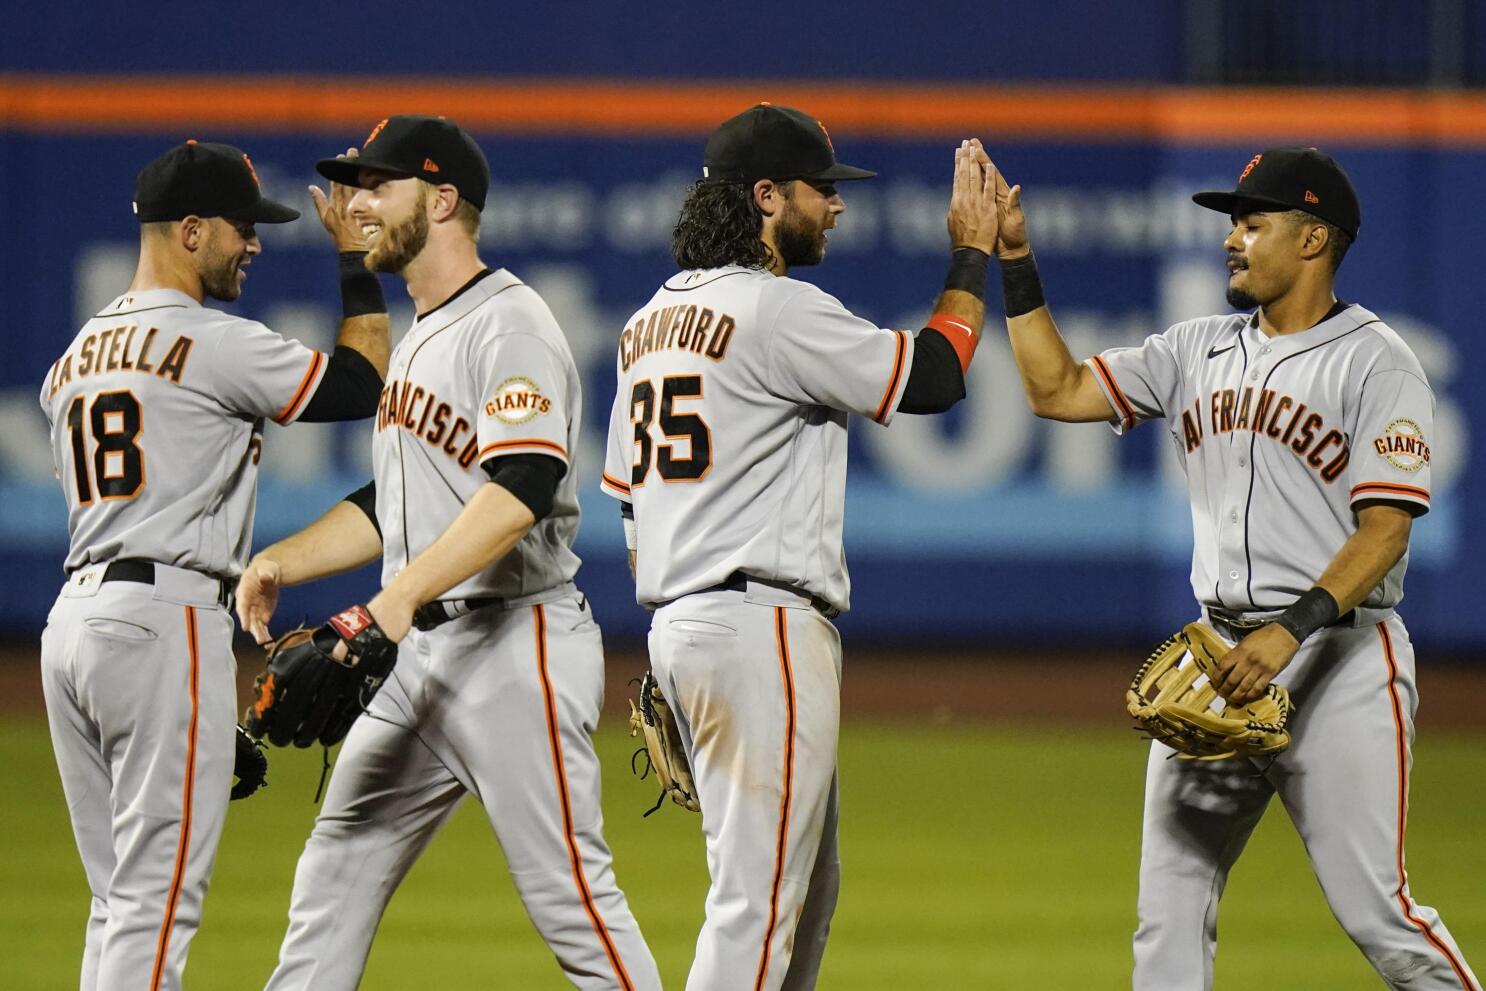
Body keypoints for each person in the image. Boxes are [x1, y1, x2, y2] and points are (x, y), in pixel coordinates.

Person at [986, 146, 1479, 990]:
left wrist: (1290, 632)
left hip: (1340, 658)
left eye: (1254, 222)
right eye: (1231, 223)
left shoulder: (1377, 361)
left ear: (1315, 237)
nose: (1232, 239)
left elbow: (1386, 532)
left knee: (1379, 915)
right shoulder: (1194, 349)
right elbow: (1055, 389)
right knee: (1168, 911)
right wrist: (1016, 262)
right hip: (1217, 660)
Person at [236, 114, 661, 991]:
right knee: (334, 866)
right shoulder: (424, 331)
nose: (355, 202)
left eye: (376, 185)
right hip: (420, 652)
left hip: (514, 642)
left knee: (572, 901)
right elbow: (398, 509)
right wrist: (285, 559)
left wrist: (387, 606)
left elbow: (519, 489)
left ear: (440, 200)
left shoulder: (510, 322)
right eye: (352, 185)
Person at [599, 103, 999, 990]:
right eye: (823, 189)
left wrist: (684, 636)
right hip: (761, 628)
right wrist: (971, 254)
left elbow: (629, 509)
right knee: (756, 908)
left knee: (806, 887)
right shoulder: (778, 309)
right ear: (767, 196)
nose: (838, 207)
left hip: (683, 623)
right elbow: (933, 377)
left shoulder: (643, 324)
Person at [38, 139, 389, 990]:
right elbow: (359, 381)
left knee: (118, 901)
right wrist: (353, 259)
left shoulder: (70, 362)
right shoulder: (207, 339)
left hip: (74, 628)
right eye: (241, 228)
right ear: (190, 231)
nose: (256, 244)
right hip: (163, 621)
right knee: (157, 904)